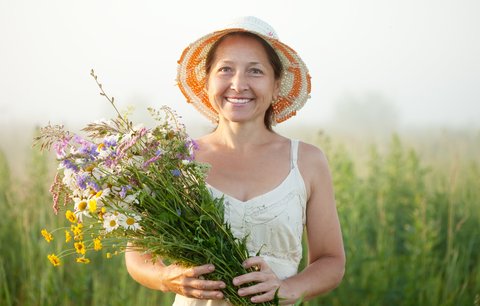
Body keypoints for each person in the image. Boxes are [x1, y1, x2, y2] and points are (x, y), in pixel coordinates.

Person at [125, 16, 345, 305]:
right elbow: (137, 257)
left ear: (276, 84)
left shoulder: (306, 161)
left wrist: (287, 288)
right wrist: (168, 278)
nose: (238, 84)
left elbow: (331, 261)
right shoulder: (175, 160)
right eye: (225, 69)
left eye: (255, 71)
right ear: (207, 81)